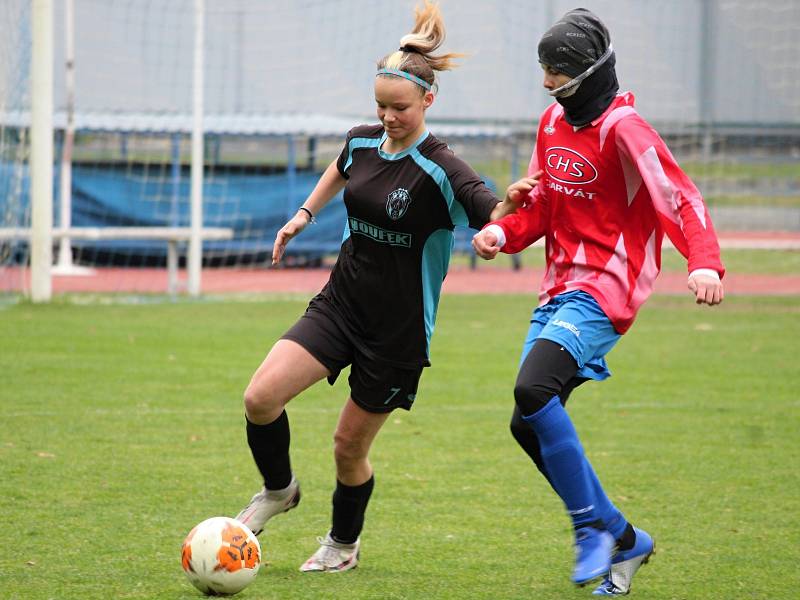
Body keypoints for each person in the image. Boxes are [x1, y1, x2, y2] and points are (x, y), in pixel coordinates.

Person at [234, 0, 537, 573]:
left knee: (349, 448)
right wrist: (303, 214)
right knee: (260, 397)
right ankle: (278, 490)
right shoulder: (362, 141)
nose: (388, 116)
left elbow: (488, 211)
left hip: (396, 333)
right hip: (339, 305)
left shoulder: (443, 168)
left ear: (428, 100)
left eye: (399, 107)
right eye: (380, 105)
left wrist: (501, 221)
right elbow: (342, 166)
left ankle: (342, 546)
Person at [472, 8, 725, 596]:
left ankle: (589, 527)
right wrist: (501, 234)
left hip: (610, 283)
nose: (547, 83)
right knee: (525, 423)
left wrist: (703, 259)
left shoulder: (625, 128)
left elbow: (680, 196)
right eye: (543, 70)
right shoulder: (550, 123)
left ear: (589, 73)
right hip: (559, 285)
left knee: (533, 390)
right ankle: (623, 535)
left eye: (557, 72)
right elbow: (540, 207)